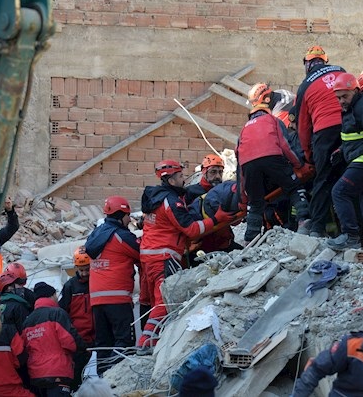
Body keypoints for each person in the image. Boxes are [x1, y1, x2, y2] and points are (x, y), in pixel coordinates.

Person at [137, 160, 235, 354]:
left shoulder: (154, 199)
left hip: (148, 256)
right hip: (164, 257)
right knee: (165, 300)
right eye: (181, 176)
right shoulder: (171, 202)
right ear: (171, 179)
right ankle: (146, 342)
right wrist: (217, 219)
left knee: (150, 302)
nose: (184, 179)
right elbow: (191, 229)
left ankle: (148, 339)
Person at [237, 83, 311, 242]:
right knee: (294, 187)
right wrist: (299, 165)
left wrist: (243, 196)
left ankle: (251, 238)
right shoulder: (272, 119)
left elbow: (239, 165)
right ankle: (304, 220)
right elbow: (285, 146)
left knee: (255, 203)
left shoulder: (244, 129)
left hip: (249, 165)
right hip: (273, 159)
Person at [327, 73, 363, 254]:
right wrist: (342, 150)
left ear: (356, 90)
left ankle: (350, 237)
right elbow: (356, 137)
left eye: (345, 96)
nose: (341, 101)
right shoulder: (353, 108)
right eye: (338, 97)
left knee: (339, 192)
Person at [292, 45, 346, 237]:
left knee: (323, 181)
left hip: (324, 132)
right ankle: (353, 232)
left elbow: (303, 126)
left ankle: (317, 229)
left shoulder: (305, 85)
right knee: (350, 179)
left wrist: (308, 155)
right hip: (349, 128)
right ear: (325, 61)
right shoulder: (341, 71)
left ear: (307, 64)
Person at [84, 195, 140, 375]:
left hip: (97, 300)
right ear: (120, 214)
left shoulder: (95, 235)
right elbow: (143, 254)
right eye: (127, 215)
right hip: (117, 298)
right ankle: (117, 379)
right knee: (124, 342)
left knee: (103, 343)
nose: (129, 219)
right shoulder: (122, 236)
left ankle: (102, 381)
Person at [19, 282, 85, 397]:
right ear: (53, 295)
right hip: (58, 372)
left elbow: (24, 349)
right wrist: (84, 349)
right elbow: (71, 342)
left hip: (36, 375)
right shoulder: (57, 314)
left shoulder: (27, 321)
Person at [59, 246, 94, 390]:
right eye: (81, 270)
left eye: (87, 269)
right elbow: (62, 313)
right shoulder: (70, 287)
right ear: (76, 268)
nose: (85, 273)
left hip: (97, 338)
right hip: (79, 340)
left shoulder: (97, 282)